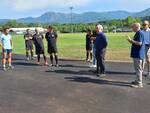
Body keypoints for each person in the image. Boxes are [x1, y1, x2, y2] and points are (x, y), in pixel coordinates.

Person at [126, 23, 145, 88]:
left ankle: (139, 83)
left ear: (136, 27)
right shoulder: (138, 33)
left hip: (138, 54)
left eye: (133, 27)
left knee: (138, 69)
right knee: (137, 69)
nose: (132, 28)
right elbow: (136, 42)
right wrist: (130, 41)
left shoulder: (140, 33)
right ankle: (137, 80)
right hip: (137, 54)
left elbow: (139, 43)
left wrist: (131, 40)